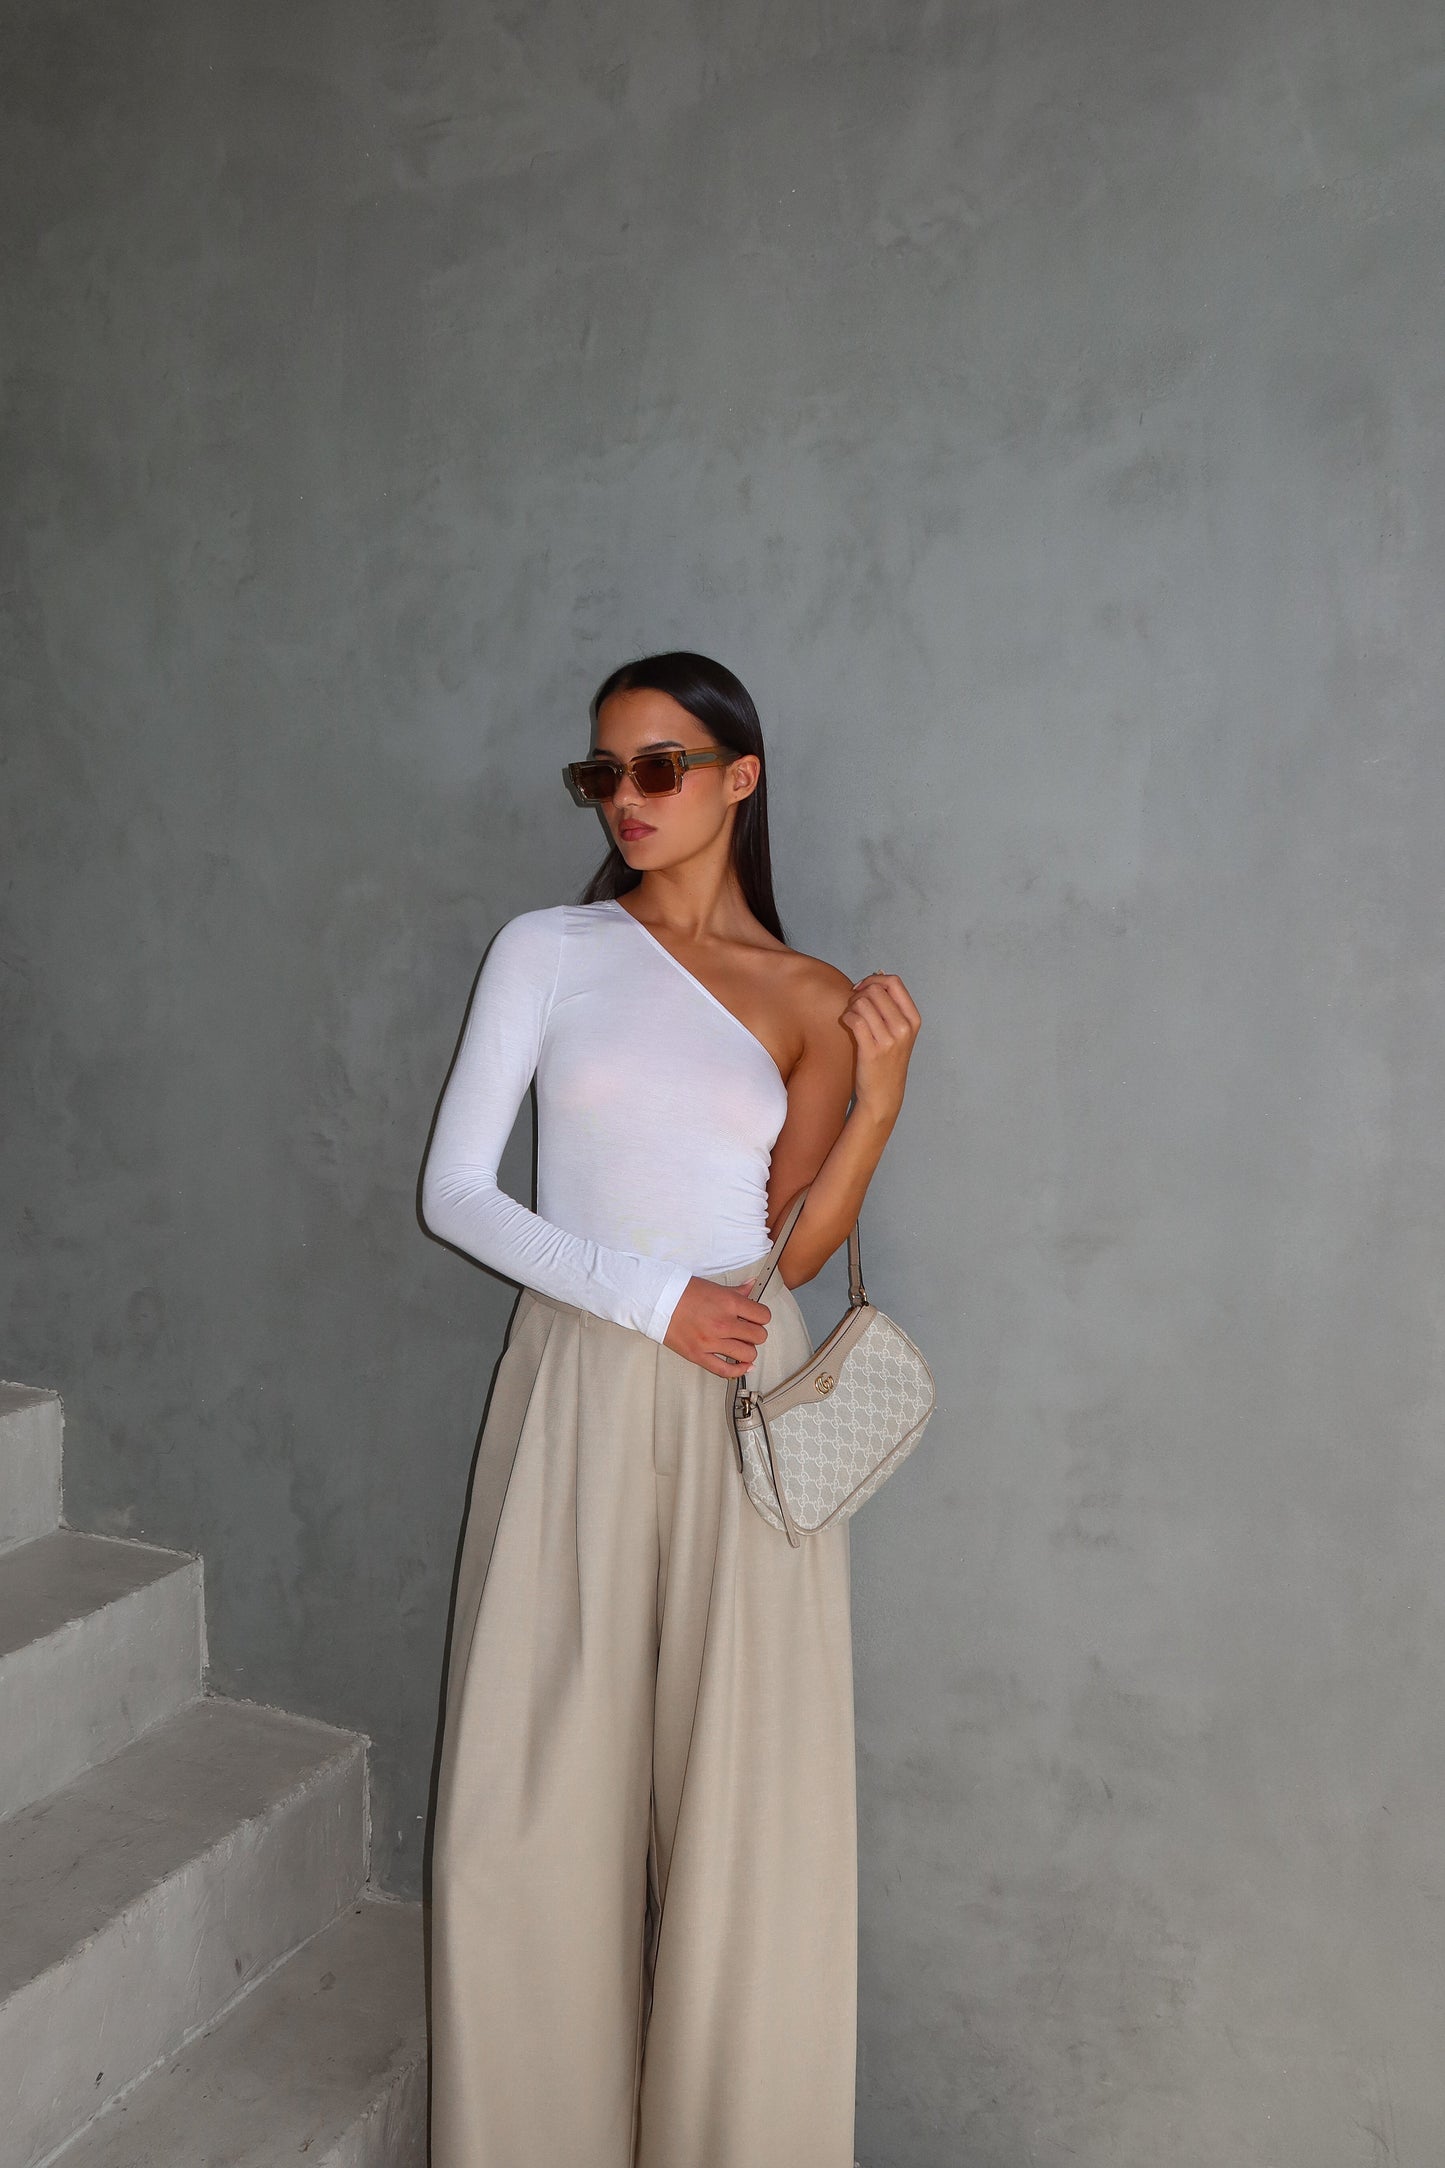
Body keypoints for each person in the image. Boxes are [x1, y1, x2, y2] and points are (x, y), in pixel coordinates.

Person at [421, 650, 921, 2168]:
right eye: (604, 772)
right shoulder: (549, 950)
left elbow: (796, 1244)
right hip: (581, 1375)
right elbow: (456, 1195)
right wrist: (651, 1304)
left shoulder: (812, 995)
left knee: (745, 1797)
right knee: (530, 1794)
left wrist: (881, 1101)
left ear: (737, 778)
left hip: (745, 1394)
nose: (625, 798)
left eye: (660, 766)